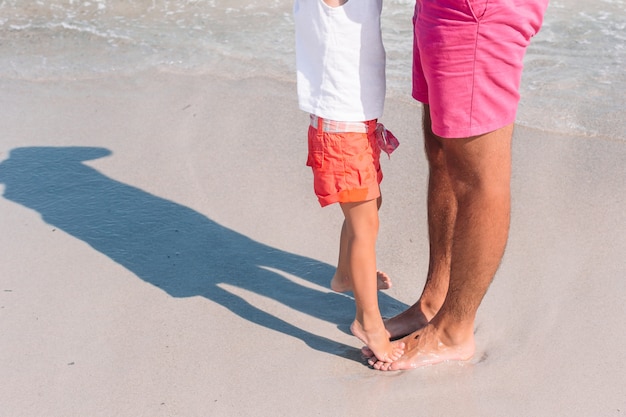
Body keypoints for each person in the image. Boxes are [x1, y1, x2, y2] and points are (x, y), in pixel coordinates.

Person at [367, 0, 549, 370]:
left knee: (477, 178)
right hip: (442, 7)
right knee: (443, 155)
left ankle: (454, 331)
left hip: (478, 12)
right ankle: (434, 302)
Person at [294, 0, 404, 363]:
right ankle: (367, 321)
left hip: (359, 124)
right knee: (365, 224)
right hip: (341, 131)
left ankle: (344, 275)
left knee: (370, 210)